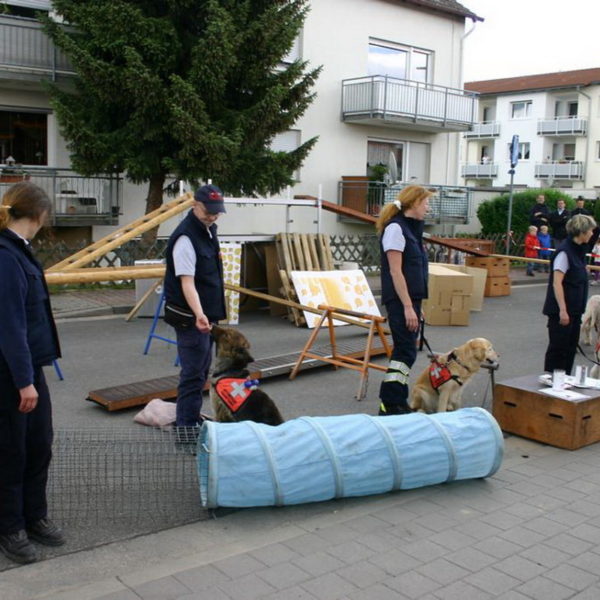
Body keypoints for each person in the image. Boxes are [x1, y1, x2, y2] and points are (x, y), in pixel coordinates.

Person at [0, 182, 65, 565]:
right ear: (40, 214)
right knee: (11, 450)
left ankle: (34, 515)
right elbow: (9, 325)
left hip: (29, 369)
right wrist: (24, 381)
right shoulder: (6, 257)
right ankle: (10, 527)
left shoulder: (19, 251)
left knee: (39, 443)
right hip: (10, 375)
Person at [164, 184, 227, 429]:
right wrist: (199, 314)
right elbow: (187, 282)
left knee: (202, 372)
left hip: (207, 315)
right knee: (192, 375)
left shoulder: (208, 230)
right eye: (207, 211)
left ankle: (191, 418)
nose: (212, 216)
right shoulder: (186, 237)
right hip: (191, 317)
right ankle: (186, 429)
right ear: (194, 206)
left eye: (216, 211)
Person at [376, 184, 434, 415]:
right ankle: (389, 403)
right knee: (405, 351)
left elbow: (414, 270)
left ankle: (396, 400)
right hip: (400, 301)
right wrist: (408, 307)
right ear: (414, 203)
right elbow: (395, 272)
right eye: (426, 203)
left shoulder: (411, 230)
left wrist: (417, 307)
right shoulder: (396, 229)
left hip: (410, 301)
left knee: (406, 352)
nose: (428, 207)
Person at [543, 214, 599, 375]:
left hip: (575, 310)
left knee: (569, 350)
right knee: (558, 351)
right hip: (562, 311)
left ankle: (564, 382)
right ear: (581, 232)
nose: (591, 234)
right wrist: (562, 310)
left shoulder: (579, 250)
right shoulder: (564, 252)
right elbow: (557, 282)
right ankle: (551, 384)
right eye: (589, 230)